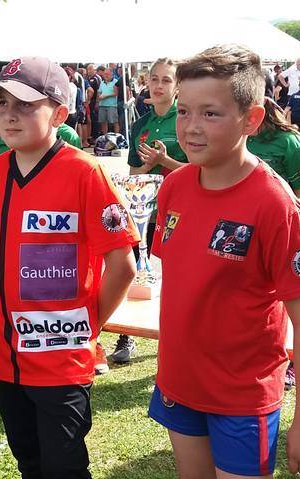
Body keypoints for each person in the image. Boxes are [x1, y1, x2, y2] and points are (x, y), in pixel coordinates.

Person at [149, 44, 300, 479]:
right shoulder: (175, 186)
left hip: (242, 395)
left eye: (210, 113)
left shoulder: (274, 204)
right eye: (183, 110)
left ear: (251, 119)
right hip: (181, 382)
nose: (190, 127)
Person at [0, 56, 136, 479]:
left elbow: (123, 264)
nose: (8, 115)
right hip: (6, 358)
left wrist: (87, 324)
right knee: (32, 464)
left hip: (62, 359)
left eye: (24, 104)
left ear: (59, 112)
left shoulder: (86, 172)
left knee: (65, 469)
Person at [110, 57, 187, 366]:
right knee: (134, 270)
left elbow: (202, 171)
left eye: (166, 80)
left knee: (178, 277)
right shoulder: (140, 124)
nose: (158, 85)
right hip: (145, 213)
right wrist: (149, 167)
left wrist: (164, 162)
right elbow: (134, 174)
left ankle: (178, 338)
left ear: (177, 86)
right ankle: (126, 336)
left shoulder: (186, 118)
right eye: (154, 79)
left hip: (182, 210)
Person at [96, 66, 120, 135]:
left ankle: (117, 136)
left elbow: (116, 93)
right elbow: (99, 92)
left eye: (107, 74)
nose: (105, 75)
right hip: (102, 104)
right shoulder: (102, 82)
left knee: (114, 122)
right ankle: (105, 136)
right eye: (105, 74)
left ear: (111, 74)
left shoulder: (115, 82)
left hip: (111, 105)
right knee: (103, 122)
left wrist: (106, 96)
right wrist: (98, 99)